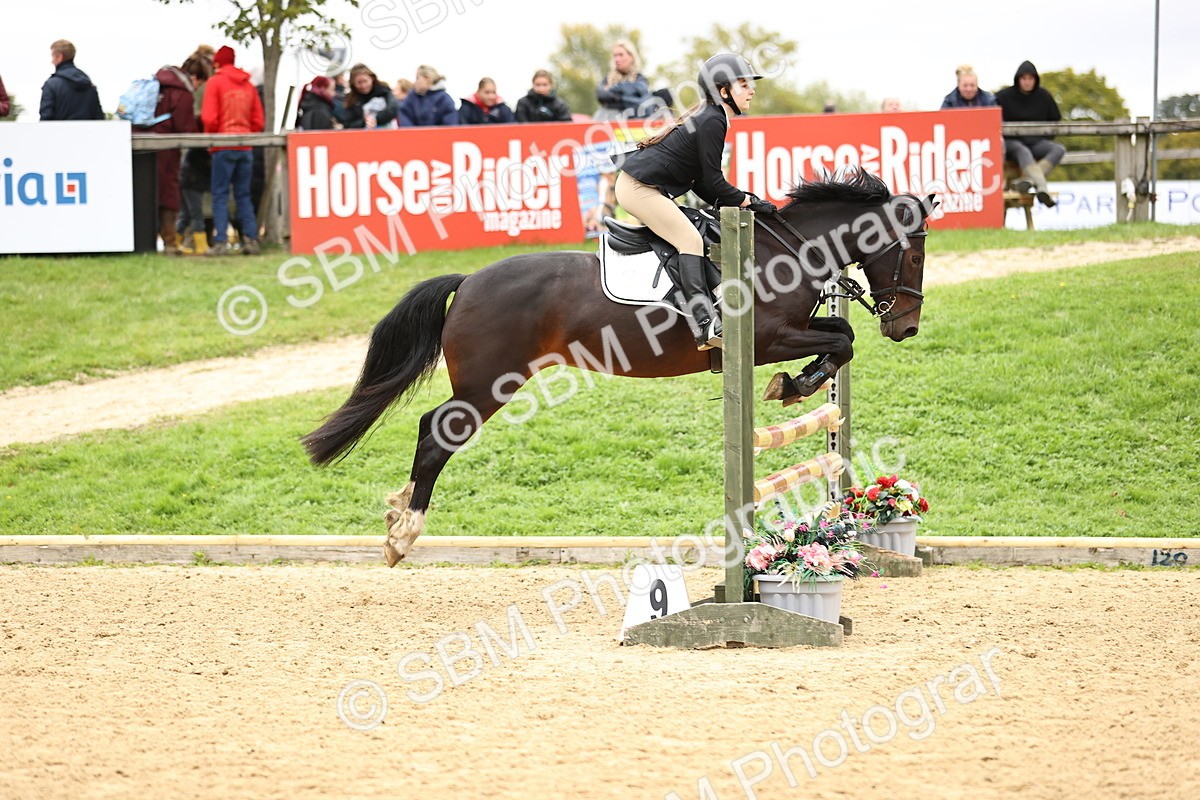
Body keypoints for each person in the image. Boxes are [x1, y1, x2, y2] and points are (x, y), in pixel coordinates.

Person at [612, 53, 776, 351]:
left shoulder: (713, 116)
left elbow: (702, 182)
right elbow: (714, 182)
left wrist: (738, 202)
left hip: (643, 186)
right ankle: (705, 324)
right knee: (689, 240)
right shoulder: (713, 120)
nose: (751, 90)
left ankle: (715, 301)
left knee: (700, 227)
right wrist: (747, 201)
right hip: (638, 188)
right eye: (743, 84)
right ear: (723, 90)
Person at [139, 55, 209, 256]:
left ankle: (145, 241)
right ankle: (169, 241)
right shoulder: (181, 93)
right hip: (166, 150)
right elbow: (184, 128)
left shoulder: (158, 83)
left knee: (146, 193)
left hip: (142, 143)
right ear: (195, 77)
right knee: (168, 194)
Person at [201, 46, 265, 256]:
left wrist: (214, 135)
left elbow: (209, 118)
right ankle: (251, 239)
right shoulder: (248, 85)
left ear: (217, 63)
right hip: (245, 145)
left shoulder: (215, 82)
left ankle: (220, 242)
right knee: (243, 195)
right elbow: (258, 121)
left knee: (220, 195)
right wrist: (246, 133)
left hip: (222, 145)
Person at [995, 60, 1064, 207]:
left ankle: (1028, 181)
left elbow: (1055, 120)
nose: (1027, 82)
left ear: (1035, 79)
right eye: (1024, 78)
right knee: (1023, 151)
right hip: (1012, 144)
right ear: (1018, 79)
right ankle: (1042, 187)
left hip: (1037, 142)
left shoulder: (1044, 96)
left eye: (1030, 78)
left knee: (1058, 149)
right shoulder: (1003, 96)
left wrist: (1046, 138)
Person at [39, 39, 103, 120]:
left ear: (60, 57)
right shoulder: (89, 85)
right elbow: (99, 119)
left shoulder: (51, 85)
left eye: (53, 56)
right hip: (86, 132)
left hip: (59, 132)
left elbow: (46, 119)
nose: (52, 61)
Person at [595, 40, 651, 120]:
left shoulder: (639, 78)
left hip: (633, 120)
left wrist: (614, 91)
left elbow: (641, 93)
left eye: (621, 55)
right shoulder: (608, 78)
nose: (617, 59)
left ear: (631, 57)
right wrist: (626, 96)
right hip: (607, 118)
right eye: (615, 56)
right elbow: (601, 94)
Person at [342, 64, 399, 129]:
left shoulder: (384, 91)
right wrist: (364, 122)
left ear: (372, 78)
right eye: (359, 82)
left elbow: (393, 108)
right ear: (353, 83)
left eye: (365, 81)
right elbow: (347, 125)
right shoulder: (350, 99)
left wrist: (376, 119)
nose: (363, 86)